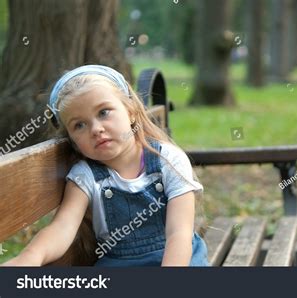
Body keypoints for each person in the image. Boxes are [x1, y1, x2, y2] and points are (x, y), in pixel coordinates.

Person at [1, 65, 209, 267]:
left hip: (178, 258)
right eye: (79, 125)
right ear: (72, 140)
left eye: (104, 112)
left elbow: (179, 233)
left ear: (131, 112)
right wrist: (29, 258)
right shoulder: (85, 176)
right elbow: (62, 228)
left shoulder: (167, 160)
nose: (96, 129)